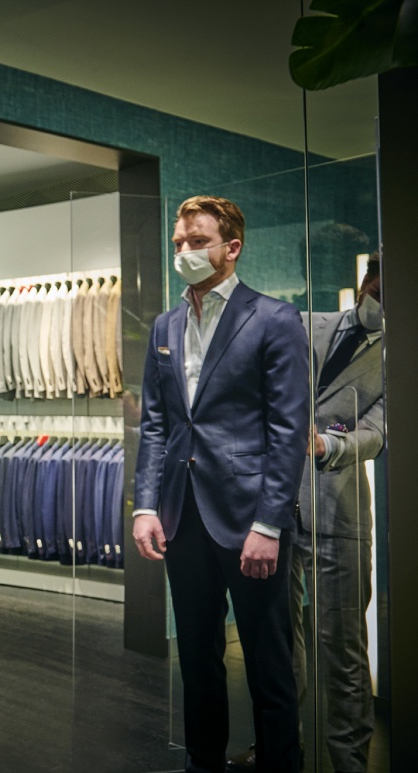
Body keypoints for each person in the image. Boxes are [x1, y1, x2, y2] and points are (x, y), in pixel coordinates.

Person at [133, 195, 311, 773]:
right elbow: (158, 423)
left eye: (199, 241)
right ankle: (202, 765)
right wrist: (145, 506)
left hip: (249, 521)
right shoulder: (166, 324)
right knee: (198, 660)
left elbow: (289, 431)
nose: (185, 251)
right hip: (183, 518)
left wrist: (269, 524)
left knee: (267, 664)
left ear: (231, 248)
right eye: (179, 243)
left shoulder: (274, 319)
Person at [230, 256, 384, 773]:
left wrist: (326, 446)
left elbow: (379, 432)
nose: (384, 303)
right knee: (277, 645)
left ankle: (349, 761)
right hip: (273, 508)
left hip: (337, 510)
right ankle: (279, 747)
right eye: (381, 290)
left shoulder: (400, 355)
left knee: (341, 652)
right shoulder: (302, 323)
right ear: (366, 283)